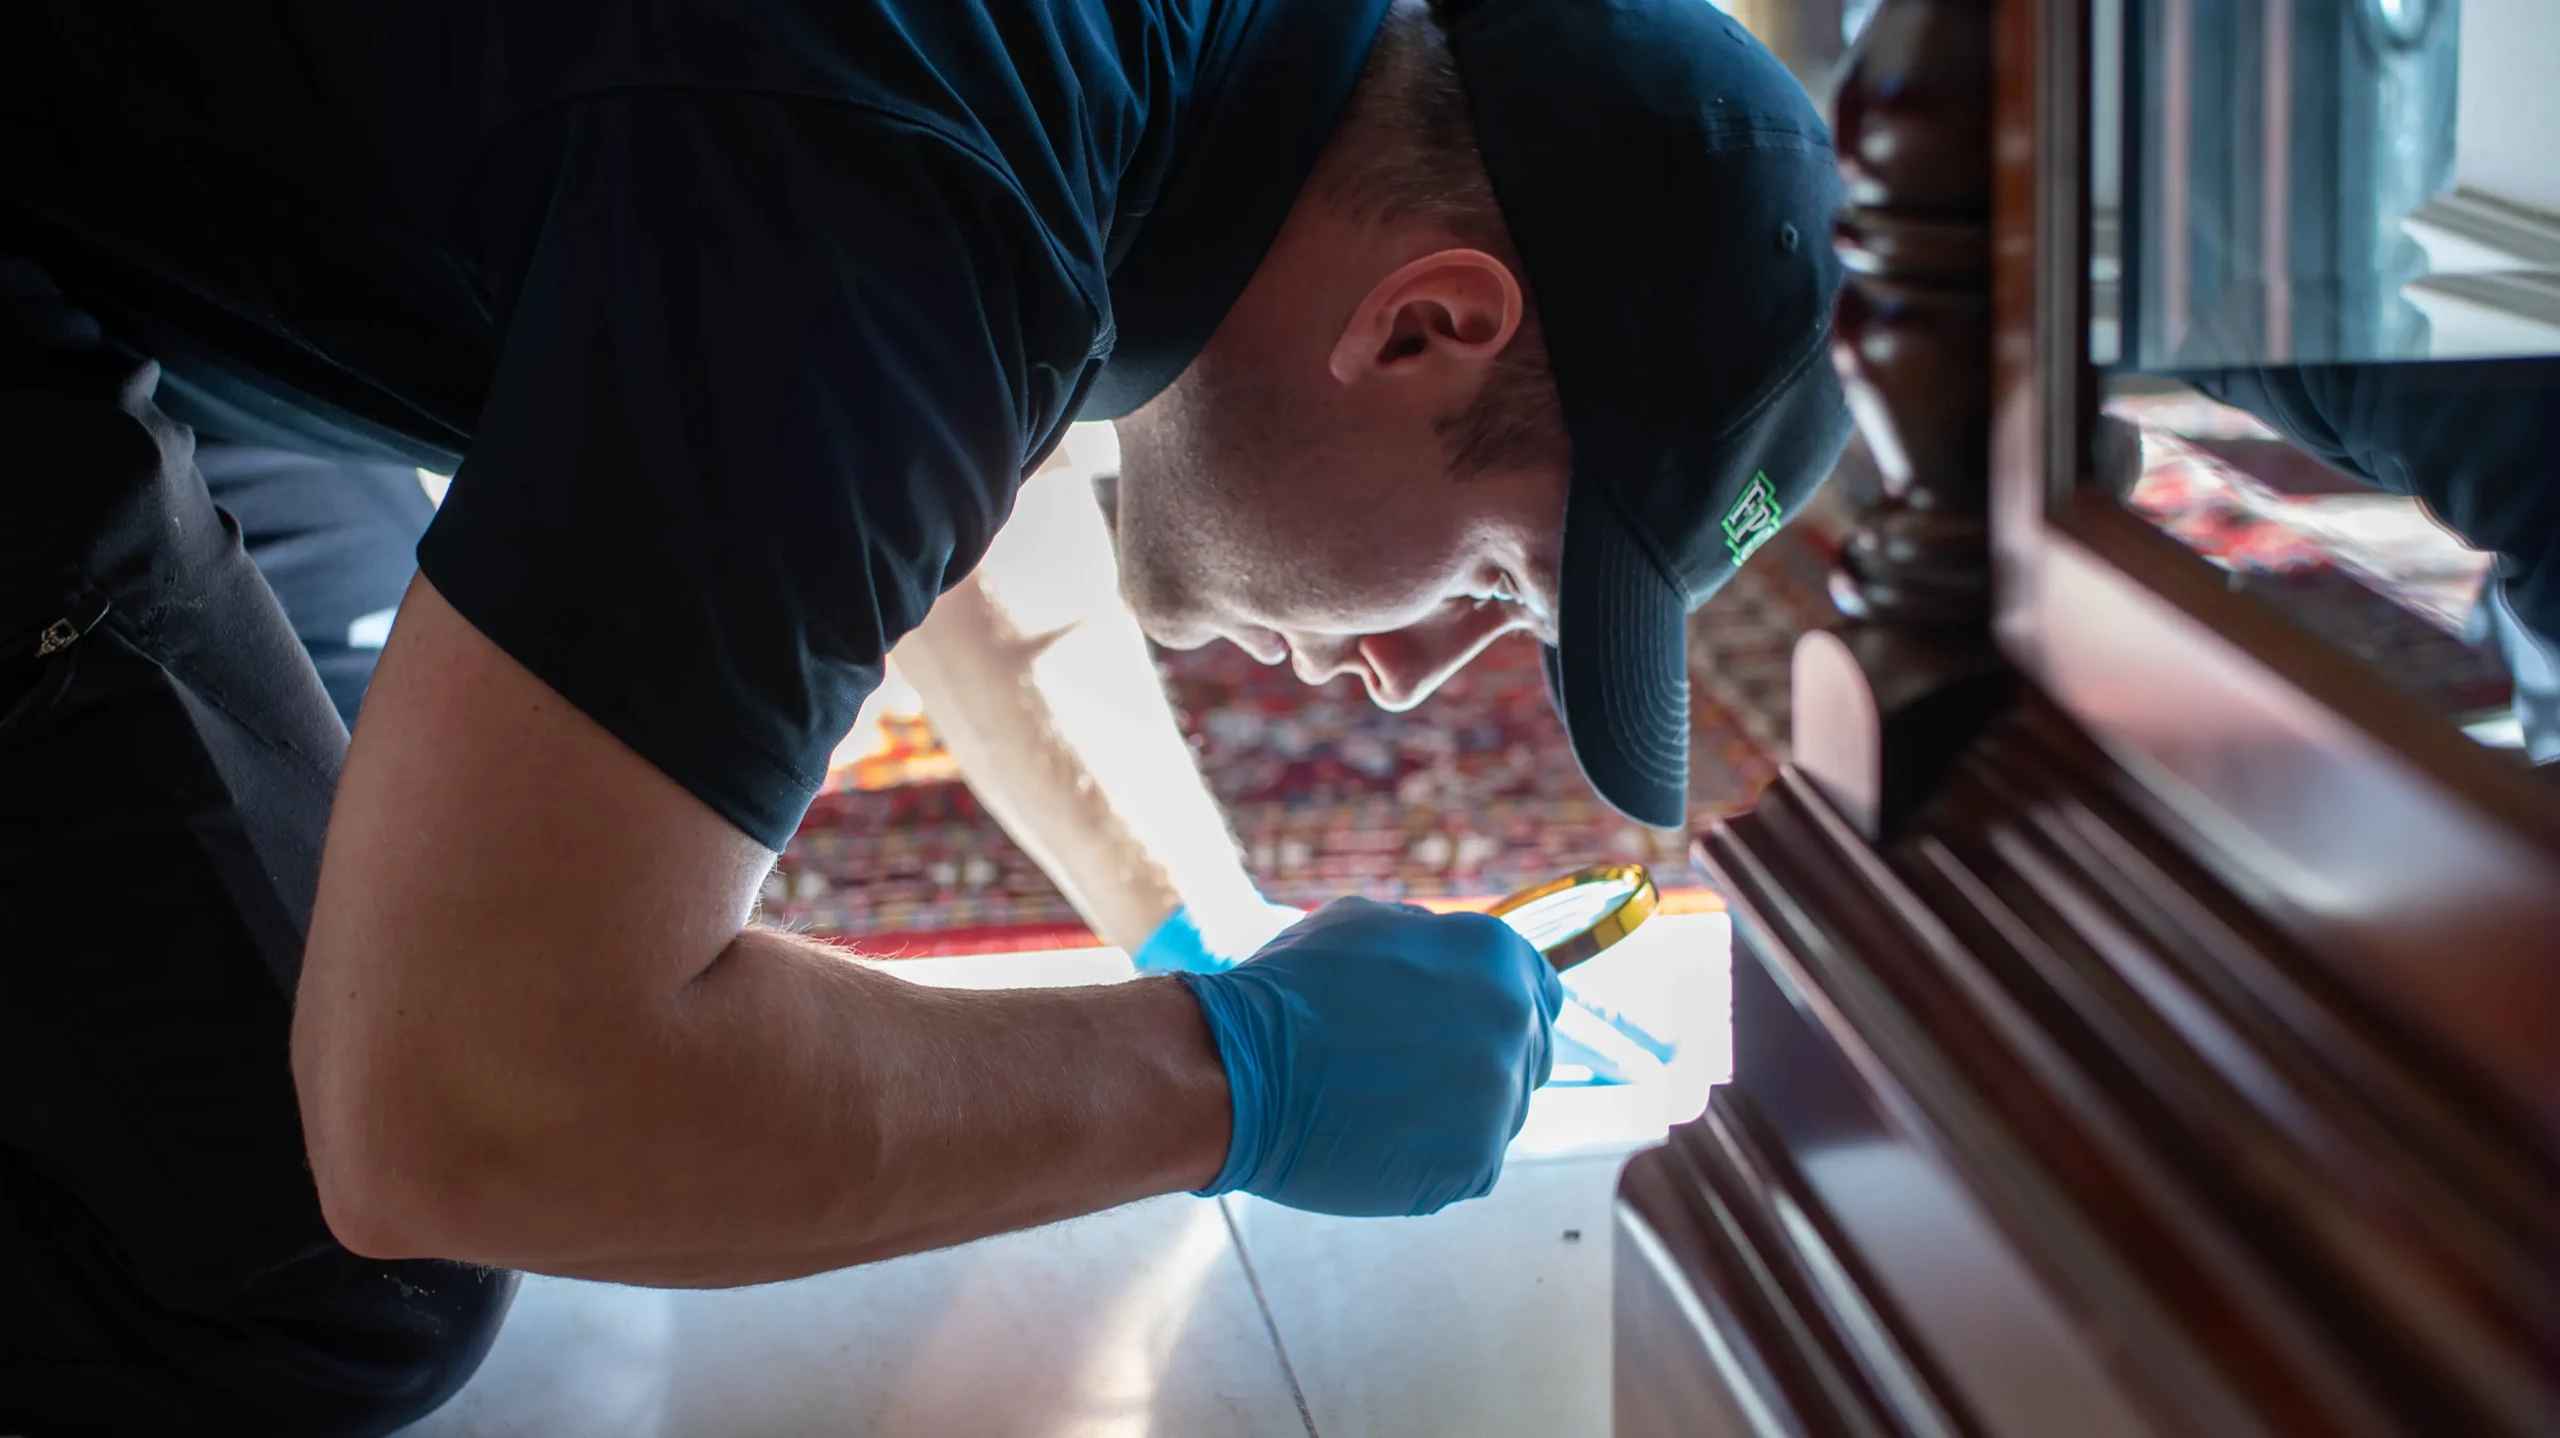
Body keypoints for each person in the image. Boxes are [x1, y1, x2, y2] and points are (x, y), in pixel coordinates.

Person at [0, 0, 1850, 1432]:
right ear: (1424, 325)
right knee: (308, 1250)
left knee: (342, 865)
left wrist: (1198, 923)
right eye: (1495, 585)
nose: (1411, 675)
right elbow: (458, 1102)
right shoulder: (915, 190)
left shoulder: (1140, 96)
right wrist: (1234, 1076)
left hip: (146, 193)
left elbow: (913, 505)